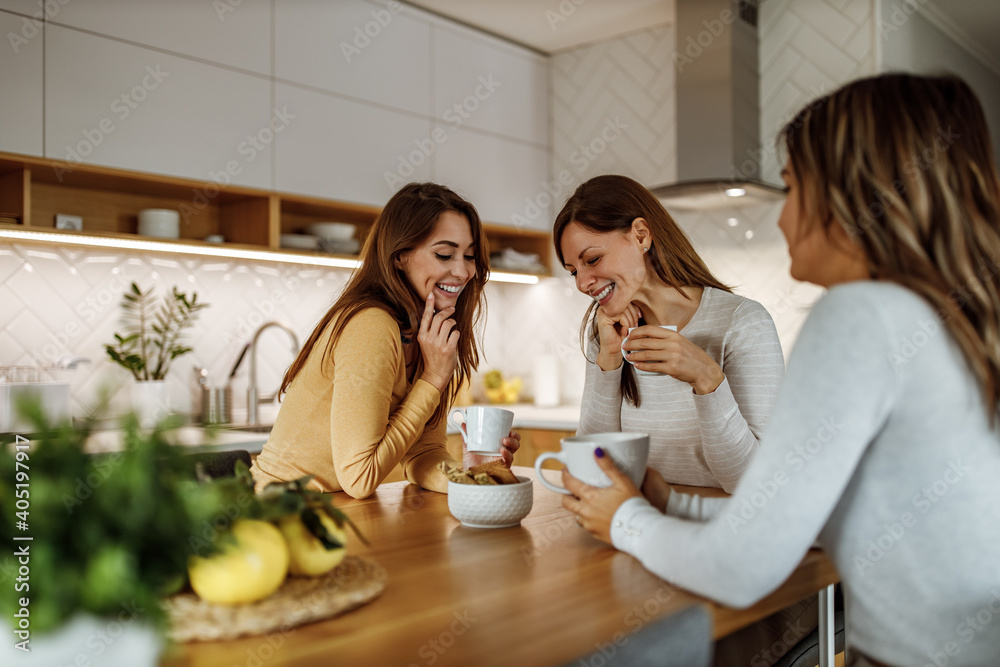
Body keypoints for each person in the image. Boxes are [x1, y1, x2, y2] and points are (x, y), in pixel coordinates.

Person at [562, 73, 1000, 666]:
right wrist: (672, 505)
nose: (783, 218)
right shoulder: (950, 318)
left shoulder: (861, 316)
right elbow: (810, 522)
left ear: (852, 192)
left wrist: (629, 521)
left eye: (794, 188)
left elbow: (743, 568)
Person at [251, 183, 519, 498]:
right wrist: (433, 378)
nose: (462, 271)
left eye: (470, 256)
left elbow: (423, 454)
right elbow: (360, 478)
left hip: (330, 510)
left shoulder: (430, 336)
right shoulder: (372, 326)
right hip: (272, 509)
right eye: (444, 254)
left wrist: (472, 480)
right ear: (399, 257)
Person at [554, 174, 785, 493]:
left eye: (592, 259)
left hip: (721, 533)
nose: (582, 283)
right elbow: (594, 469)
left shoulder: (743, 322)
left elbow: (753, 483)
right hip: (634, 526)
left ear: (640, 235)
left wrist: (706, 378)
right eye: (573, 272)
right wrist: (608, 362)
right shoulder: (608, 332)